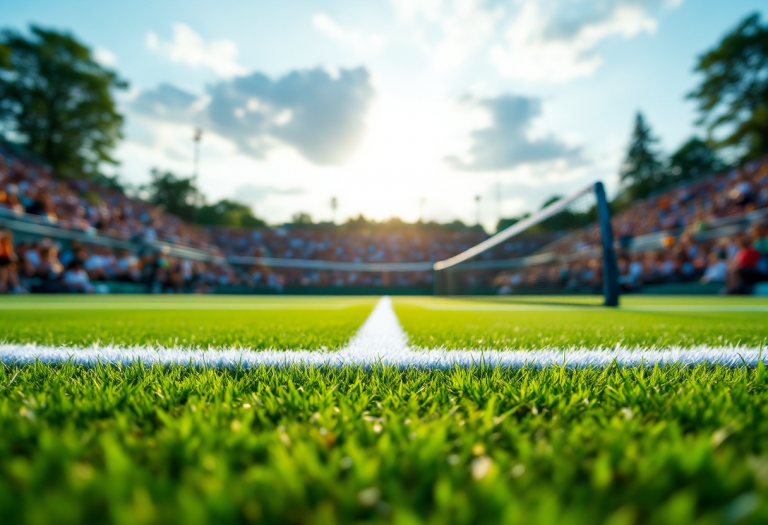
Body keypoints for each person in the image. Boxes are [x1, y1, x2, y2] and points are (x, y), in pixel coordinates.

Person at [0, 229, 22, 293]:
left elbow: (11, 255)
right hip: (2, 260)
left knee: (10, 270)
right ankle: (4, 286)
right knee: (4, 271)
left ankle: (13, 286)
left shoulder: (7, 243)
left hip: (5, 261)